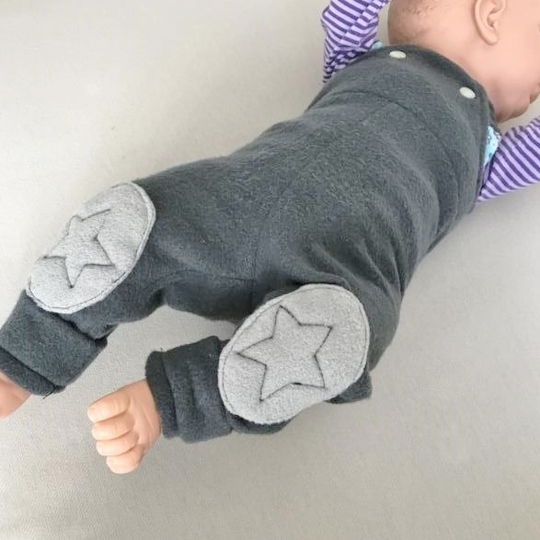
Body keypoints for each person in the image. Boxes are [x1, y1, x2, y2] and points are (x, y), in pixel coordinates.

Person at [1, 0, 540, 475]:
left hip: (343, 258)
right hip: (251, 191)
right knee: (151, 218)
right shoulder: (357, 58)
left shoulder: (488, 152)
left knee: (355, 326)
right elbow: (345, 12)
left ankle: (174, 398)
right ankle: (21, 358)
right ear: (491, 13)